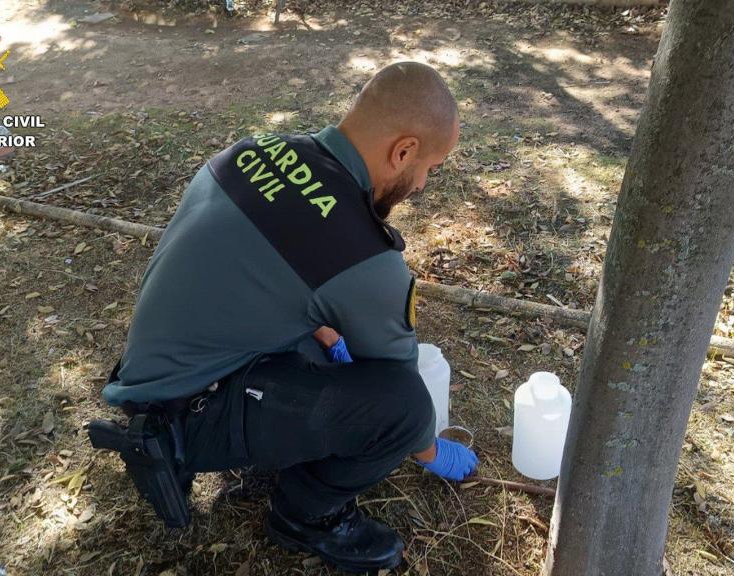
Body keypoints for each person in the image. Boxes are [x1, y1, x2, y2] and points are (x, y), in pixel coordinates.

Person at [101, 61, 478, 572]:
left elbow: (255, 276)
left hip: (156, 369)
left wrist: (323, 329)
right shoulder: (363, 256)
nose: (423, 186)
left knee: (326, 347)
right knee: (406, 408)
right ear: (403, 150)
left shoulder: (252, 150)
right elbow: (395, 380)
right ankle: (304, 517)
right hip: (184, 414)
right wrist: (429, 451)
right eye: (429, 167)